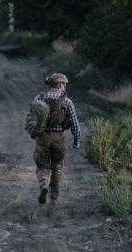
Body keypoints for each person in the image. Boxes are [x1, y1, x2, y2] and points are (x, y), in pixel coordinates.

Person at [28, 72, 82, 204]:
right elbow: (75, 123)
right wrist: (76, 141)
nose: (65, 87)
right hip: (58, 138)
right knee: (57, 168)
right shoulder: (67, 101)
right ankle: (54, 198)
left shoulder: (40, 98)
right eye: (64, 84)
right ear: (59, 84)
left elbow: (32, 117)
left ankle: (44, 186)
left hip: (42, 138)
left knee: (42, 166)